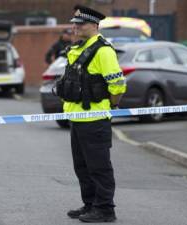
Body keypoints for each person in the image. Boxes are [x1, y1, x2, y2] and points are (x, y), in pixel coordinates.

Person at [55, 4, 126, 223]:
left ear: (94, 26)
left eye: (80, 24)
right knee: (82, 167)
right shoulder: (78, 48)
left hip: (95, 120)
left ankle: (105, 209)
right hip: (77, 119)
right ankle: (90, 205)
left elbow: (118, 86)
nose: (75, 27)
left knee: (99, 167)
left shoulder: (103, 50)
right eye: (74, 23)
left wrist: (110, 106)